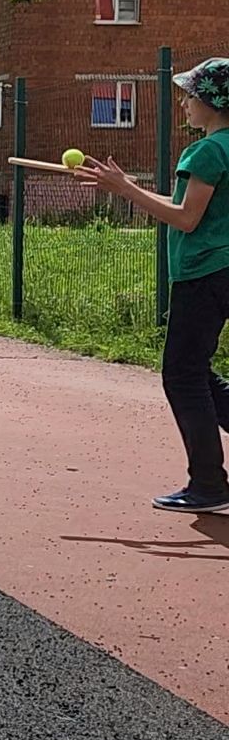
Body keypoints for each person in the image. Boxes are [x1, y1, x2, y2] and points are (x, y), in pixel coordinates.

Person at [74, 56, 229, 514]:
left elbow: (185, 218)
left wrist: (125, 190)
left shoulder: (207, 152)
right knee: (196, 372)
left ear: (213, 102)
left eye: (191, 95)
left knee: (181, 376)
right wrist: (121, 186)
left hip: (202, 272)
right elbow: (186, 206)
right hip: (221, 269)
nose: (184, 103)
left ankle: (209, 485)